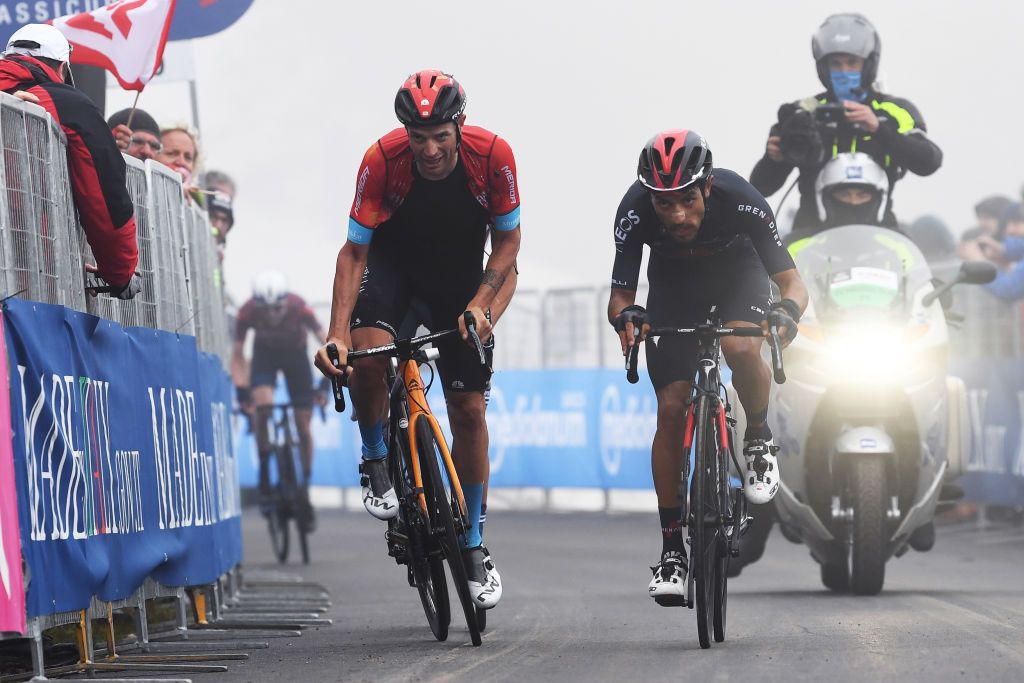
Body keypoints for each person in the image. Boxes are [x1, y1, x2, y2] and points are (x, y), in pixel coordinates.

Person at [313, 69, 521, 610]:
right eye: (418, 137)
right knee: (368, 356)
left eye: (440, 137)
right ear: (404, 131)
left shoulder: (494, 154)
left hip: (458, 282)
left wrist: (482, 306)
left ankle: (473, 543)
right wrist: (336, 334)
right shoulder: (381, 159)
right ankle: (376, 455)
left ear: (459, 125)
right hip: (391, 275)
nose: (429, 150)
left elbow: (508, 244)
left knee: (470, 411)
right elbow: (353, 252)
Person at [608, 129, 808, 603]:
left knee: (741, 349)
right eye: (665, 204)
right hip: (674, 289)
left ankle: (757, 438)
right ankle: (672, 549)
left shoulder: (742, 198)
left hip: (738, 277)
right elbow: (621, 294)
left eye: (687, 201)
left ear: (708, 186)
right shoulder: (634, 209)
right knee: (671, 407)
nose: (677, 215)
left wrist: (788, 311)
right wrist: (627, 317)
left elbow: (791, 281)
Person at [750, 13, 942, 236]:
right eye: (836, 64)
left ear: (869, 64)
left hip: (881, 237)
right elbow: (761, 188)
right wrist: (773, 159)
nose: (844, 72)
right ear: (823, 67)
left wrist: (879, 130)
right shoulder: (801, 114)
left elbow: (929, 161)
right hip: (810, 241)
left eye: (852, 63)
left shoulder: (895, 112)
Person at [0, 24, 140, 299]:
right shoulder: (64, 102)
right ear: (62, 68)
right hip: (25, 279)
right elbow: (104, 195)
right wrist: (120, 271)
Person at [232, 272, 326, 519]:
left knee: (303, 425)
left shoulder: (299, 307)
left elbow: (327, 342)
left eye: (277, 309)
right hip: (265, 357)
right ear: (257, 307)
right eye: (267, 310)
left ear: (285, 303)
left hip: (296, 357)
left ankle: (303, 484)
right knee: (262, 409)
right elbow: (238, 354)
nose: (273, 315)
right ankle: (264, 466)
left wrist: (326, 382)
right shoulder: (247, 312)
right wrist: (242, 390)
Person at [811, 152, 889, 232]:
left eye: (862, 196)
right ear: (826, 200)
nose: (853, 202)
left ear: (878, 201)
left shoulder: (894, 242)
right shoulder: (807, 243)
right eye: (844, 195)